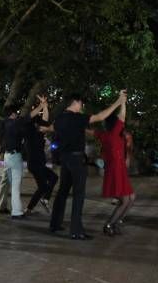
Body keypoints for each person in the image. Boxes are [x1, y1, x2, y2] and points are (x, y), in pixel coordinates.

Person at [49, 90, 127, 240]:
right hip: (76, 160)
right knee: (78, 195)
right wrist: (118, 102)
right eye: (81, 103)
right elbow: (100, 117)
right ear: (76, 102)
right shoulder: (77, 118)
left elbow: (53, 129)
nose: (82, 106)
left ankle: (55, 224)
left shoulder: (59, 119)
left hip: (64, 159)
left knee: (62, 192)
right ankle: (76, 231)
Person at [89, 96, 135, 236]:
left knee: (131, 198)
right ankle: (109, 224)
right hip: (116, 170)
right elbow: (122, 116)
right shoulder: (115, 133)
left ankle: (114, 223)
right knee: (126, 199)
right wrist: (123, 103)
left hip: (116, 169)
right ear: (116, 124)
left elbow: (91, 132)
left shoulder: (105, 135)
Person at [0, 97, 48, 219]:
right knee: (15, 185)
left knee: (7, 183)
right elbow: (29, 117)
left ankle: (3, 207)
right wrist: (41, 106)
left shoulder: (3, 123)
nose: (18, 115)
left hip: (7, 156)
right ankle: (17, 212)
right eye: (16, 113)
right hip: (14, 157)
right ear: (13, 114)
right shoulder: (15, 123)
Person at [24, 97, 58, 215]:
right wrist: (40, 106)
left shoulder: (39, 127)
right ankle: (33, 206)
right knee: (45, 185)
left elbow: (45, 119)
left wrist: (44, 106)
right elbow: (30, 117)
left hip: (39, 163)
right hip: (34, 163)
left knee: (51, 180)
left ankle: (34, 206)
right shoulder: (28, 128)